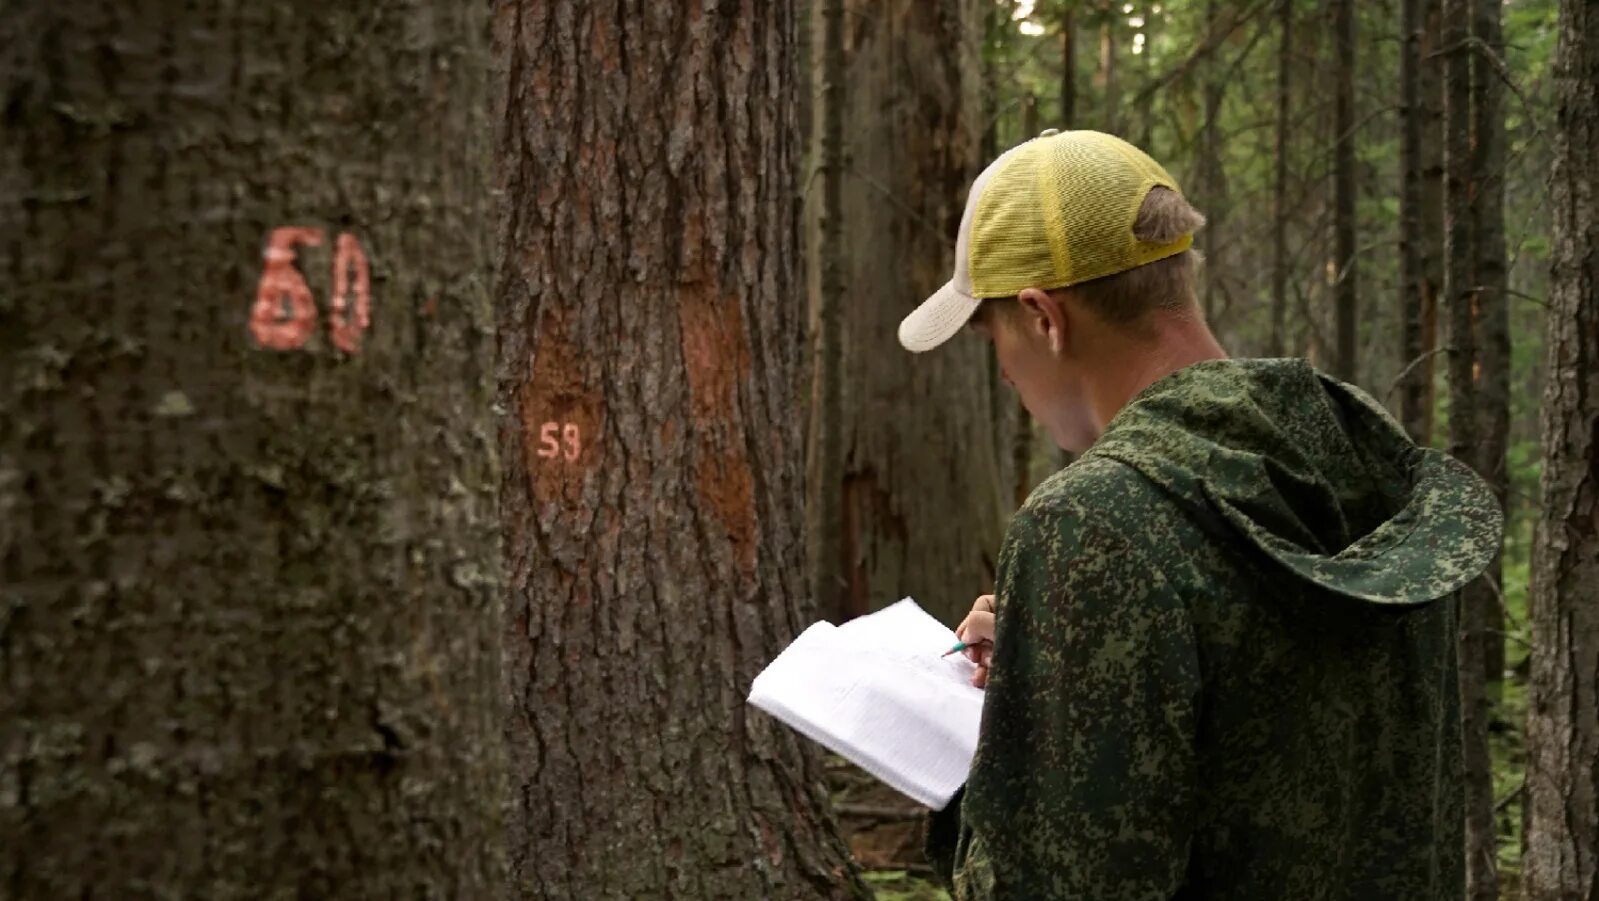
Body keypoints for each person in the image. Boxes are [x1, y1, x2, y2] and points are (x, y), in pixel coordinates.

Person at [898, 130, 1502, 900]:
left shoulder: (1093, 522)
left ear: (1043, 316)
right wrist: (1047, 679)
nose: (1007, 373)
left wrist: (995, 765)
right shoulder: (1353, 454)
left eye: (994, 341)